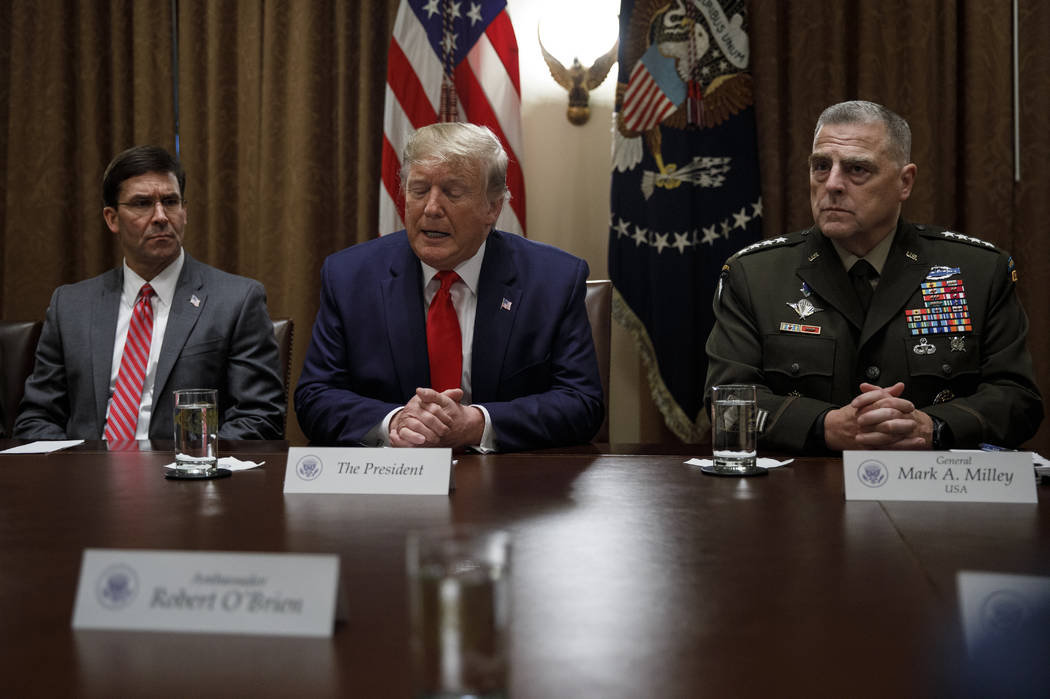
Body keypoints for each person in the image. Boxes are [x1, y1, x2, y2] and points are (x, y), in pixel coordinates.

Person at [705, 100, 1043, 452]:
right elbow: (724, 405)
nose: (832, 183)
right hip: (801, 495)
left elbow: (1018, 401)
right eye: (821, 166)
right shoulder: (754, 275)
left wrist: (934, 427)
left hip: (934, 492)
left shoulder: (979, 272)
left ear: (904, 182)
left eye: (857, 169)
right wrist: (824, 426)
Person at [294, 122, 603, 451]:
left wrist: (479, 424)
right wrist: (395, 421)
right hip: (387, 482)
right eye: (419, 190)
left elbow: (581, 403)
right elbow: (315, 396)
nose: (431, 208)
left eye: (452, 193)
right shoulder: (350, 276)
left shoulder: (553, 280)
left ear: (493, 207)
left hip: (511, 485)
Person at [14, 145, 285, 441]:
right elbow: (37, 417)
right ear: (112, 218)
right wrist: (75, 473)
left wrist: (192, 464)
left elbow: (259, 416)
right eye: (142, 204)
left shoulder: (237, 300)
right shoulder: (71, 306)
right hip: (85, 477)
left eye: (170, 201)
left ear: (185, 212)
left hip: (188, 477)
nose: (160, 216)